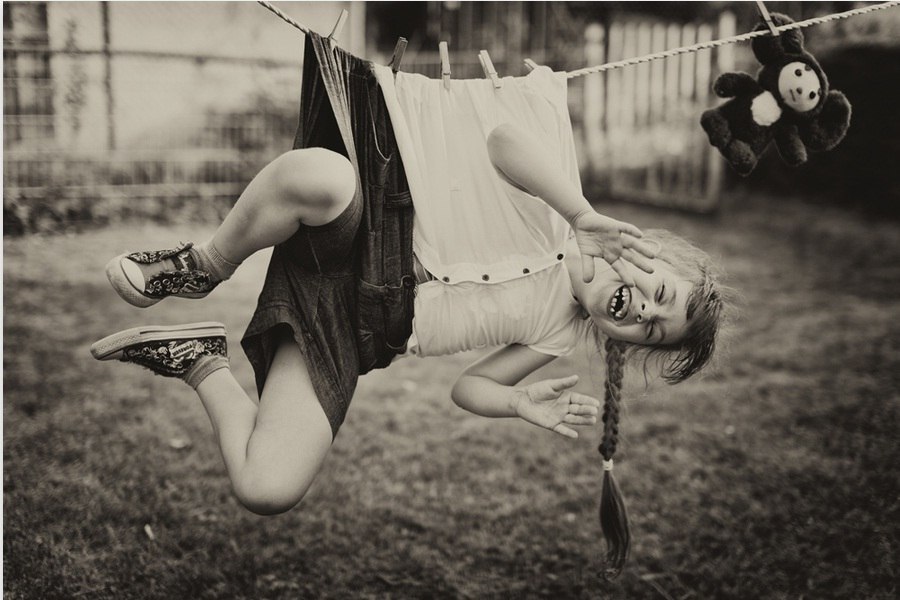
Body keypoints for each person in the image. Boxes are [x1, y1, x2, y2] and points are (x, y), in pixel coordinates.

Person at [92, 89, 724, 577]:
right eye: (662, 294)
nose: (644, 310)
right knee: (319, 174)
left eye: (651, 331)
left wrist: (514, 401)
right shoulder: (561, 212)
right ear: (654, 251)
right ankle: (206, 265)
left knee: (267, 487)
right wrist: (579, 212)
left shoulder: (555, 334)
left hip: (349, 331)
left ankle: (199, 359)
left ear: (626, 344)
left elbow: (467, 388)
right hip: (364, 236)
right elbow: (503, 139)